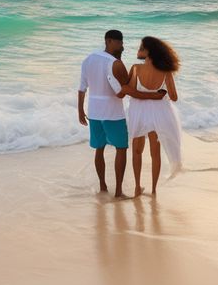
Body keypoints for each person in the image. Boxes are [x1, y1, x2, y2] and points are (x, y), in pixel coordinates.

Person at [78, 30, 166, 198]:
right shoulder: (115, 63)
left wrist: (80, 110)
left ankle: (103, 187)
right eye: (119, 43)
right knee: (121, 148)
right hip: (113, 113)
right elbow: (124, 91)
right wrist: (153, 95)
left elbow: (82, 87)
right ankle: (118, 191)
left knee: (99, 149)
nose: (122, 46)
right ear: (109, 41)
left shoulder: (89, 59)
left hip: (95, 112)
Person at [122, 36, 183, 196]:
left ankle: (137, 187)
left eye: (141, 47)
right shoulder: (166, 71)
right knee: (155, 153)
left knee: (137, 150)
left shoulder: (135, 68)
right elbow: (174, 97)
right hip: (159, 112)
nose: (138, 50)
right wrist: (158, 94)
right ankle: (154, 190)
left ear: (149, 51)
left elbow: (130, 90)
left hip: (138, 111)